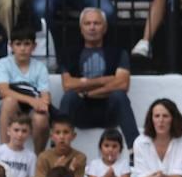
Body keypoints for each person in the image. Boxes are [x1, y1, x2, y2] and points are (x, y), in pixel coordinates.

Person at [58, 9, 138, 146]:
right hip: (81, 112)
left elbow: (122, 84)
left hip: (109, 112)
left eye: (97, 23)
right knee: (69, 97)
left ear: (105, 28)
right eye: (87, 23)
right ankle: (57, 149)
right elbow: (68, 85)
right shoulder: (70, 53)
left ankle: (136, 150)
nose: (92, 27)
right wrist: (104, 80)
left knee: (119, 96)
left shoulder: (118, 52)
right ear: (81, 28)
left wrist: (86, 91)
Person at [0, 29, 50, 151]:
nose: (22, 48)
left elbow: (45, 95)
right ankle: (4, 153)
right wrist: (31, 100)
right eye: (18, 44)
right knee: (9, 102)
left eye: (27, 44)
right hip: (7, 109)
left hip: (31, 110)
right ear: (11, 46)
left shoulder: (40, 67)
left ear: (34, 46)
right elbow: (3, 91)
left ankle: (38, 158)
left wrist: (43, 103)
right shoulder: (3, 63)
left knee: (41, 118)